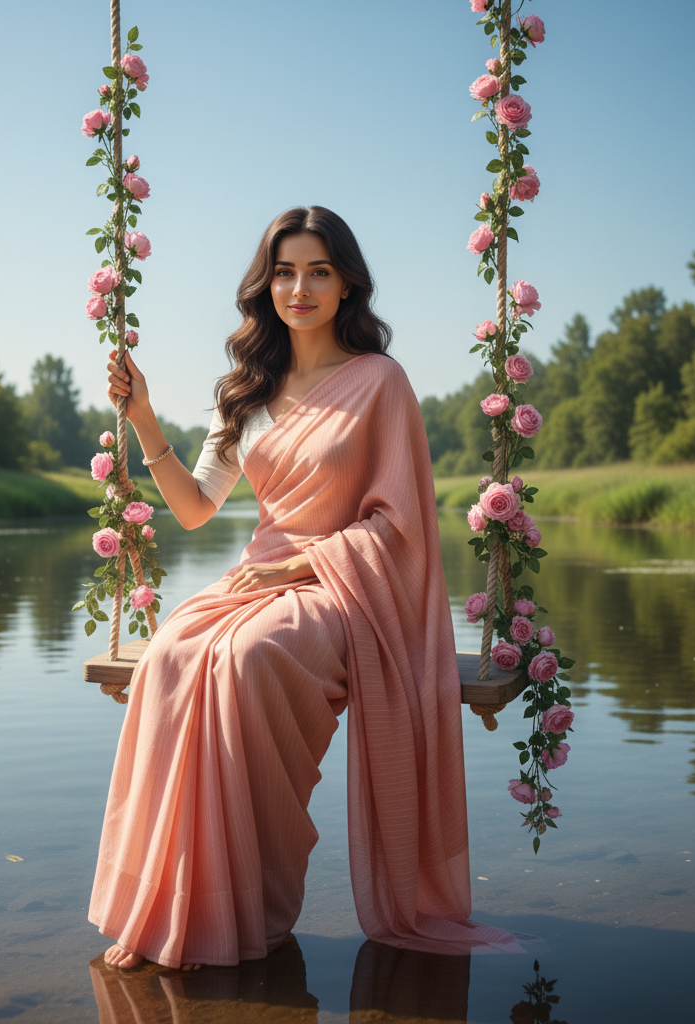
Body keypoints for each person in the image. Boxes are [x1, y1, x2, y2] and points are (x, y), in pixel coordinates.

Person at [90, 206, 545, 972]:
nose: (298, 287)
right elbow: (198, 507)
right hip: (254, 579)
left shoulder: (380, 384)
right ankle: (172, 906)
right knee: (171, 654)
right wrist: (141, 420)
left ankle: (251, 903)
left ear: (346, 286)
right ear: (265, 285)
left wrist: (302, 566)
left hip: (343, 590)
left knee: (250, 660)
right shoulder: (249, 389)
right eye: (284, 271)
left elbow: (399, 527)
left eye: (318, 271)